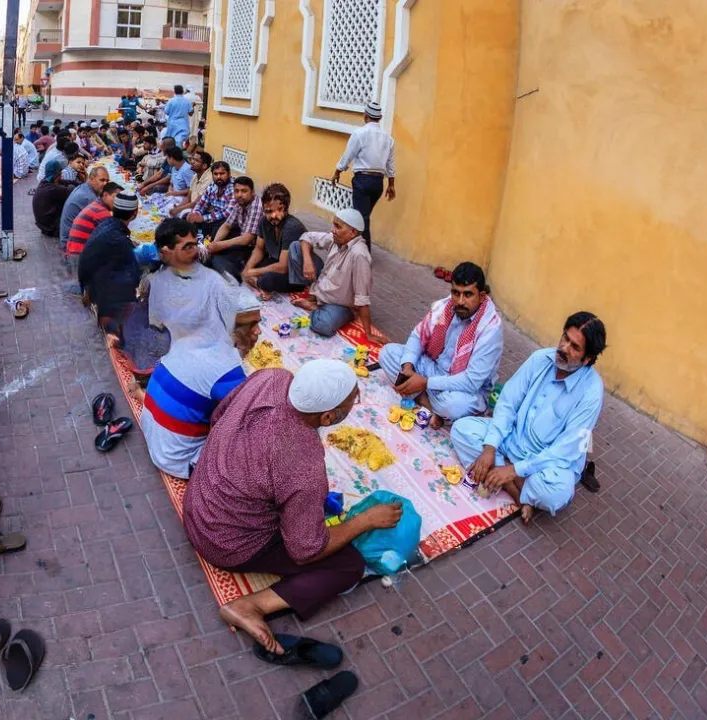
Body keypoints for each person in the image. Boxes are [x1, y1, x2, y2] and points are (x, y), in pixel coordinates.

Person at [183, 360, 403, 652]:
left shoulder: (271, 377)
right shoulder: (304, 465)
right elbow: (306, 550)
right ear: (327, 417)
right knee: (349, 565)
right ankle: (251, 605)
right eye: (353, 401)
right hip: (223, 542)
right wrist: (365, 520)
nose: (355, 404)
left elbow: (220, 416)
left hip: (198, 502)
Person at [452, 312, 607, 524]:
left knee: (556, 495)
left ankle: (505, 475)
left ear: (587, 359)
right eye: (565, 338)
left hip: (545, 462)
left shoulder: (592, 391)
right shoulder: (540, 359)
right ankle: (516, 492)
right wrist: (490, 448)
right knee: (461, 429)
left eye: (574, 347)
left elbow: (567, 449)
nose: (563, 348)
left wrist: (515, 469)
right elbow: (507, 404)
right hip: (513, 441)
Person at [137, 220, 260, 479]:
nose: (258, 332)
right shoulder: (228, 371)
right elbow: (246, 425)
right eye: (251, 326)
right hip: (176, 459)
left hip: (153, 433)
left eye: (259, 323)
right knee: (255, 452)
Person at [380, 262, 503, 427]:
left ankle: (423, 398)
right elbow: (418, 335)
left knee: (454, 406)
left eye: (468, 295)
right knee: (388, 353)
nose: (460, 301)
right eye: (455, 293)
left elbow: (471, 381)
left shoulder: (490, 329)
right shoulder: (446, 308)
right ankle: (429, 406)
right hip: (433, 368)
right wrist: (408, 367)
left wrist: (425, 382)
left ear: (481, 296)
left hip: (463, 387)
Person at [289, 208, 373, 337]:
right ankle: (315, 300)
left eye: (338, 227)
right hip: (324, 286)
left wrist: (369, 334)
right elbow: (306, 237)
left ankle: (315, 307)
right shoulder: (337, 239)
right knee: (296, 246)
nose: (332, 230)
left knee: (323, 325)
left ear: (353, 232)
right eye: (334, 225)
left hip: (340, 304)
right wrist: (307, 261)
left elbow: (363, 297)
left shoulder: (359, 255)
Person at [331, 100, 395, 248]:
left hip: (363, 180)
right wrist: (391, 185)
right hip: (378, 183)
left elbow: (348, 156)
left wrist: (337, 173)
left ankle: (363, 252)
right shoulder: (388, 138)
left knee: (361, 219)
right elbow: (390, 165)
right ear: (379, 117)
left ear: (366, 116)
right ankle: (353, 246)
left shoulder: (360, 133)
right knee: (362, 217)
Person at [79, 193, 141, 334]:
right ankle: (111, 325)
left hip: (87, 275)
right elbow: (134, 274)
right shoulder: (119, 240)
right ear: (135, 214)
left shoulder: (107, 224)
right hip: (97, 284)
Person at [242, 183, 308, 296]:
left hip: (294, 272)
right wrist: (248, 269)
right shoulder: (264, 221)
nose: (273, 215)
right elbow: (259, 248)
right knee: (244, 260)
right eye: (268, 211)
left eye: (278, 210)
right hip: (275, 262)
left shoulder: (292, 227)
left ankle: (260, 284)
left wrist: (253, 272)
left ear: (286, 208)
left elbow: (283, 267)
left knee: (266, 280)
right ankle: (261, 285)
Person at [205, 176, 262, 281]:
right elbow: (227, 225)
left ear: (252, 192)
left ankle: (234, 271)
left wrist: (220, 245)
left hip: (253, 248)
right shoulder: (240, 203)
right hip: (241, 238)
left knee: (220, 257)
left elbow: (247, 239)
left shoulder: (256, 206)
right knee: (218, 228)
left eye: (244, 191)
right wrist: (215, 243)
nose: (239, 195)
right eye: (236, 191)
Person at [60, 166, 110, 249]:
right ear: (91, 179)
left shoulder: (84, 187)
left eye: (107, 181)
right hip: (70, 245)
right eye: (102, 180)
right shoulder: (89, 197)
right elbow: (105, 226)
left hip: (68, 238)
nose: (105, 184)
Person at [67, 182, 123, 256]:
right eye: (116, 197)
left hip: (73, 252)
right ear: (105, 195)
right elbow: (115, 239)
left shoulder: (96, 205)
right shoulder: (101, 212)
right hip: (79, 257)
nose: (119, 203)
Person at [184, 161, 234, 237]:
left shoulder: (234, 188)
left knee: (217, 225)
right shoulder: (212, 186)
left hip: (228, 222)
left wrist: (202, 218)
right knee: (188, 217)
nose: (218, 177)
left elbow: (227, 213)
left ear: (229, 174)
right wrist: (195, 214)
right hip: (213, 218)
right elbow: (201, 204)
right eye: (216, 174)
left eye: (222, 174)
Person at [33, 160, 74, 238]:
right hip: (52, 229)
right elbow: (72, 190)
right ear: (59, 173)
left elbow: (65, 182)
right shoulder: (55, 189)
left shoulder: (44, 182)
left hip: (43, 227)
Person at [169, 151, 212, 218]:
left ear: (204, 166)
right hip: (192, 206)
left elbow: (197, 203)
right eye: (192, 159)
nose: (192, 162)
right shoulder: (195, 176)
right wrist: (178, 207)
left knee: (184, 215)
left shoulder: (209, 179)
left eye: (196, 160)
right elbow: (188, 197)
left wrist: (177, 209)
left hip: (202, 211)